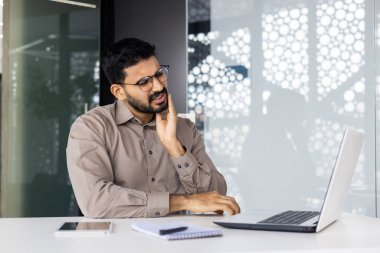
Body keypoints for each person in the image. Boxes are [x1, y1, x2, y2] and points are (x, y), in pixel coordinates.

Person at [66, 38, 240, 218]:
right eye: (144, 82)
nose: (158, 86)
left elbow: (215, 197)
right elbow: (96, 202)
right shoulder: (90, 128)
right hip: (119, 244)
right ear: (119, 92)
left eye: (159, 74)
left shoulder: (185, 128)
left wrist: (175, 148)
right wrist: (184, 202)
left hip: (179, 242)